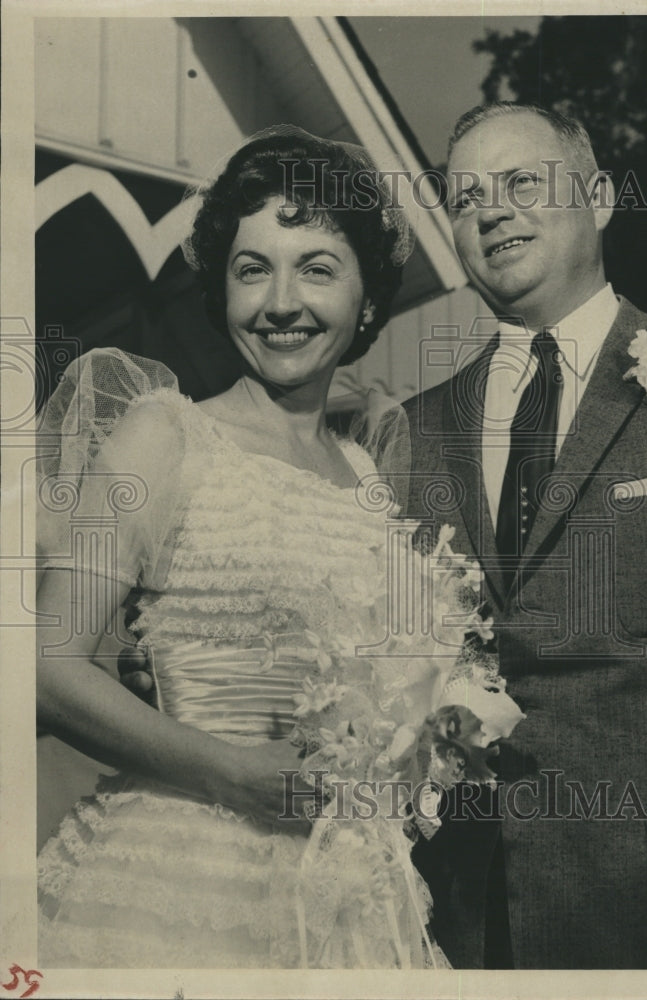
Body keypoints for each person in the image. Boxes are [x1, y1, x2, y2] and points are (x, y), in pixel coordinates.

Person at [35, 126, 454, 969]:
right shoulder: (167, 435)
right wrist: (227, 769)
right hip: (185, 877)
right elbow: (44, 666)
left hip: (354, 894)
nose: (280, 303)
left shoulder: (369, 469)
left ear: (368, 300)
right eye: (251, 268)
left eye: (317, 269)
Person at [401, 103, 647, 969]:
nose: (491, 211)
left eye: (522, 181)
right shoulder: (413, 429)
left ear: (598, 196)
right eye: (464, 197)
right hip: (460, 920)